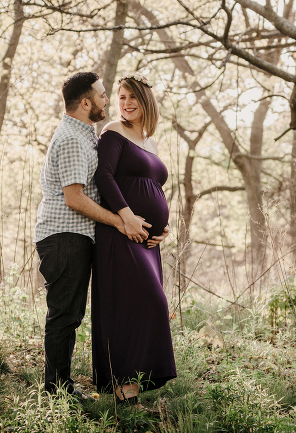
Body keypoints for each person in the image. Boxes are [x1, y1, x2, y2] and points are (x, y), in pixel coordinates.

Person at [33, 71, 153, 397]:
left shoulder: (84, 134)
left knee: (70, 314)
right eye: (102, 95)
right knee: (65, 314)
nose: (107, 100)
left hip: (74, 237)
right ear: (85, 102)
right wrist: (119, 220)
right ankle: (57, 392)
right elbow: (74, 198)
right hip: (63, 236)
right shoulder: (72, 139)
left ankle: (60, 387)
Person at [91, 73, 177, 407]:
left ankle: (132, 391)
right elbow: (104, 175)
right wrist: (125, 214)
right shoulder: (113, 131)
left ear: (146, 102)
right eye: (121, 97)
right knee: (144, 302)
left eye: (132, 98)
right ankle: (122, 383)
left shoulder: (150, 141)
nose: (125, 104)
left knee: (141, 307)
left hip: (148, 242)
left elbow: (154, 189)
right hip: (120, 234)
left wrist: (163, 226)